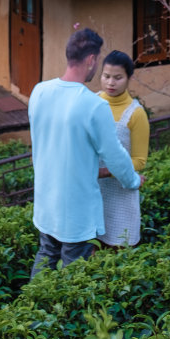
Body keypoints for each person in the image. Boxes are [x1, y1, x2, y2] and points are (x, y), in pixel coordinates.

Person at [28, 26, 142, 278]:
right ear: (91, 60)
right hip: (76, 210)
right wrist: (133, 181)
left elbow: (42, 145)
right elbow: (116, 156)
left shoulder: (39, 91)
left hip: (46, 201)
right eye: (98, 60)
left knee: (45, 257)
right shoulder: (93, 105)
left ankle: (29, 313)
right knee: (74, 277)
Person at [96, 50, 149, 248]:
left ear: (129, 78)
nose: (110, 83)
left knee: (119, 250)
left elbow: (139, 161)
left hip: (120, 192)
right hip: (92, 191)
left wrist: (106, 172)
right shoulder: (91, 103)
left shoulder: (136, 114)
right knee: (90, 252)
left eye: (118, 78)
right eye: (106, 76)